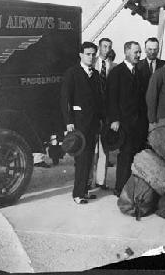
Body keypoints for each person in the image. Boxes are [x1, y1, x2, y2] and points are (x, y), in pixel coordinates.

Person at [60, 42, 103, 204]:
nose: (91, 57)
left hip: (92, 124)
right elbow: (65, 100)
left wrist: (100, 119)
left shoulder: (96, 74)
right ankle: (77, 194)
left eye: (93, 54)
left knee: (89, 157)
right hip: (78, 124)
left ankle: (84, 191)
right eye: (88, 54)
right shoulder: (72, 73)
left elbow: (99, 99)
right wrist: (68, 122)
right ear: (81, 55)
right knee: (81, 159)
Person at [107, 41, 146, 196]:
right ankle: (120, 188)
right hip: (123, 123)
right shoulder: (117, 72)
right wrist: (114, 119)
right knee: (125, 156)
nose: (138, 55)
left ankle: (131, 187)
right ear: (126, 52)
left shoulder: (139, 73)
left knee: (135, 155)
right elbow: (111, 98)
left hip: (137, 124)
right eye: (136, 52)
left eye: (139, 52)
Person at [88, 38, 116, 190]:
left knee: (104, 148)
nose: (107, 49)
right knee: (91, 149)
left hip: (107, 112)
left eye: (109, 47)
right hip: (93, 112)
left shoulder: (114, 67)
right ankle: (88, 180)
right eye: (104, 46)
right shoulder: (91, 65)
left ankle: (101, 181)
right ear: (99, 48)